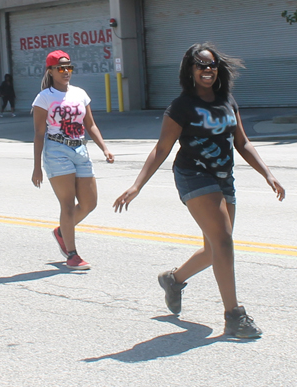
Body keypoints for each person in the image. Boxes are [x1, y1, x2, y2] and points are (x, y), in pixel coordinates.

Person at [113, 43, 285, 338]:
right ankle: (234, 316)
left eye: (212, 65)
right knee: (224, 240)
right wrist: (137, 184)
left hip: (223, 177)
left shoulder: (227, 101)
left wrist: (267, 174)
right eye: (201, 65)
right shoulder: (182, 106)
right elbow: (162, 148)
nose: (207, 70)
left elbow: (241, 142)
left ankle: (173, 279)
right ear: (190, 70)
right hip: (193, 174)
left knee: (214, 248)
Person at [31, 50, 114, 270]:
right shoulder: (44, 98)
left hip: (80, 150)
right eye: (61, 68)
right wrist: (37, 166)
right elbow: (39, 133)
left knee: (89, 203)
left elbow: (90, 125)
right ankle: (72, 254)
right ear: (51, 70)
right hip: (56, 151)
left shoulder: (79, 93)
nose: (66, 71)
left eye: (69, 67)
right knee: (67, 204)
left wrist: (104, 148)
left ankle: (61, 231)